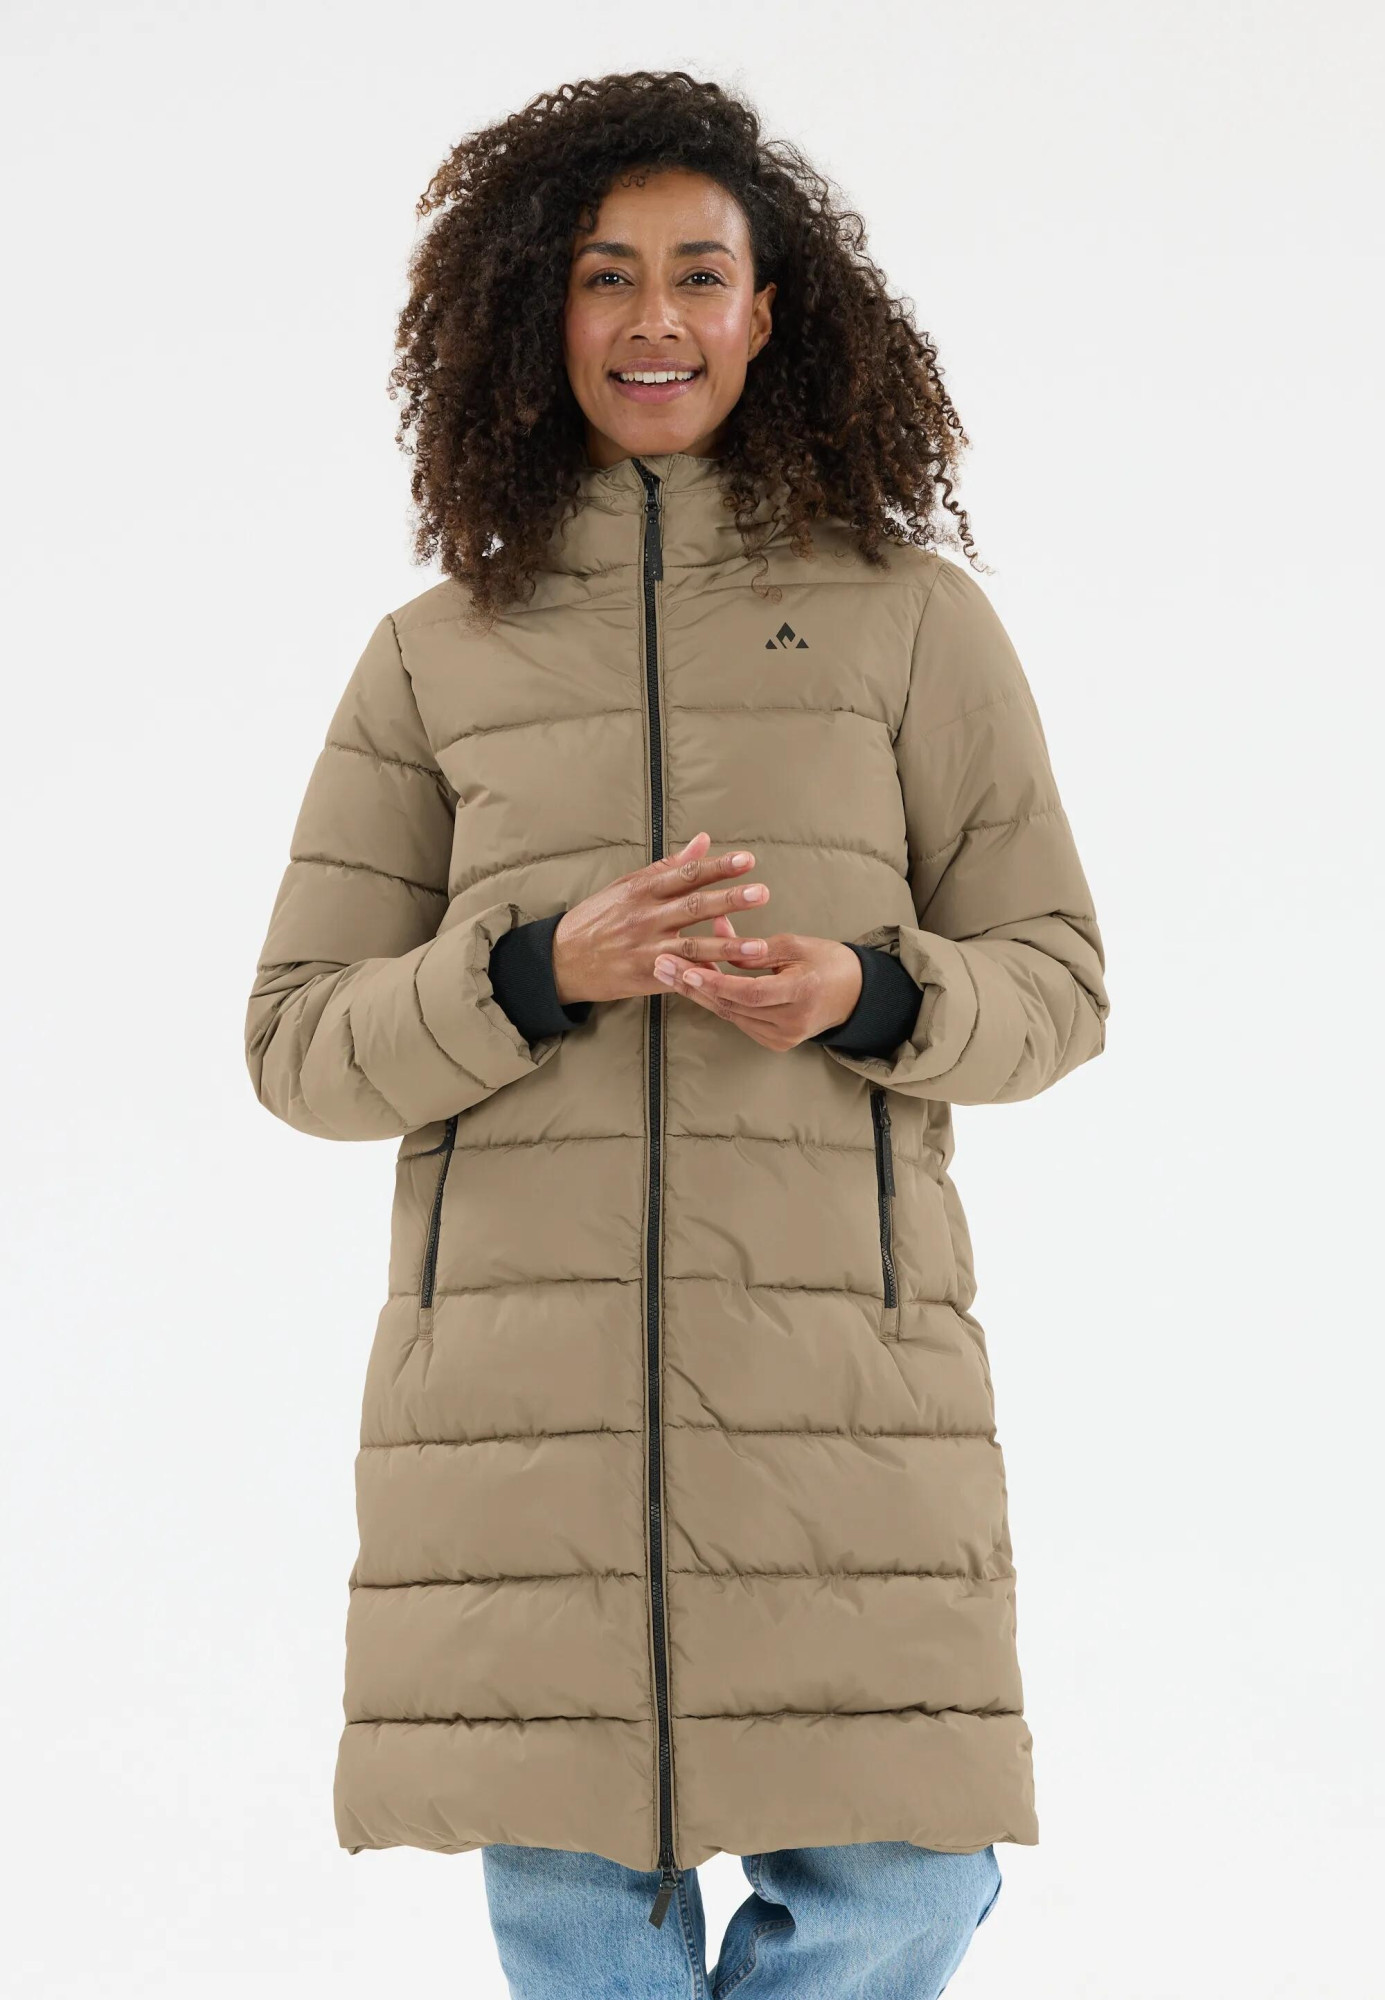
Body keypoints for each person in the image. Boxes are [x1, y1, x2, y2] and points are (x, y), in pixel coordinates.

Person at [244, 68, 1109, 2000]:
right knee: (581, 1929)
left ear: (767, 309)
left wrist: (869, 992)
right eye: (603, 275)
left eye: (698, 274)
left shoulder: (907, 621)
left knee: (906, 1884)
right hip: (522, 1414)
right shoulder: (436, 652)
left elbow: (1056, 979)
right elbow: (297, 1043)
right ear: (531, 314)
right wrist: (532, 971)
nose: (654, 320)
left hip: (841, 1389)